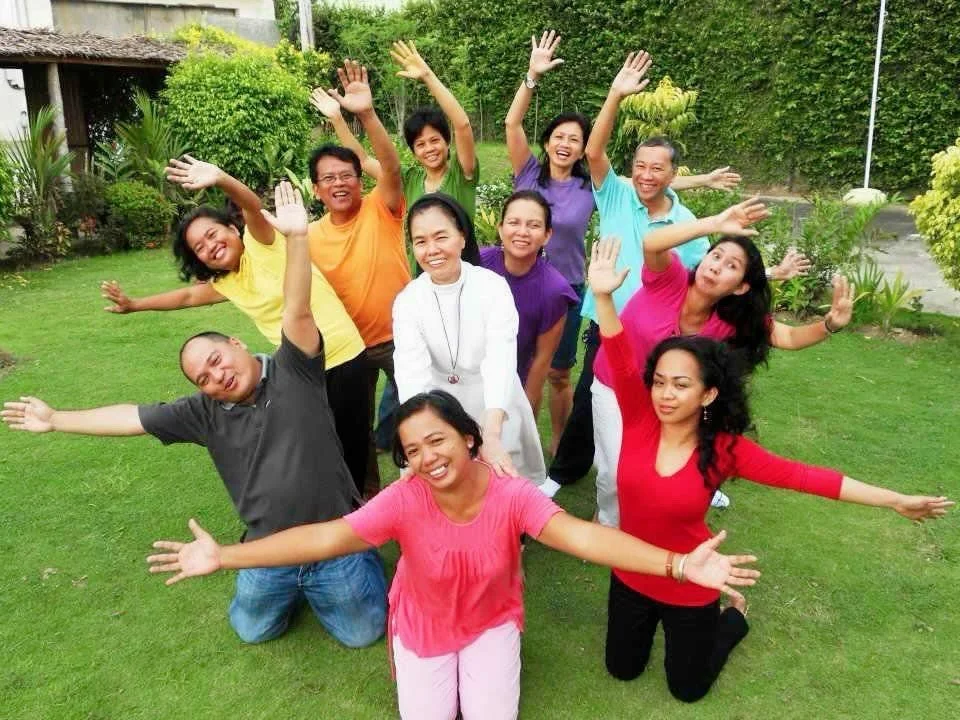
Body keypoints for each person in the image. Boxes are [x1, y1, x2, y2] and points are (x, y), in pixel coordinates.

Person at [145, 389, 761, 720]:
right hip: (423, 628)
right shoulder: (403, 499)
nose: (426, 457)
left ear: (469, 438)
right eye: (412, 450)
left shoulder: (511, 496)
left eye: (436, 440)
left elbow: (582, 536)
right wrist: (226, 556)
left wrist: (679, 564)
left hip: (491, 623)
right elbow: (326, 537)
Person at [4, 183, 389, 647]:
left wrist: (297, 238)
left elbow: (297, 308)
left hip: (332, 543)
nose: (217, 376)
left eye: (216, 360)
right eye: (203, 378)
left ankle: (360, 543)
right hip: (266, 550)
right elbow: (132, 418)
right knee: (252, 630)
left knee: (362, 634)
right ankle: (286, 566)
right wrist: (56, 419)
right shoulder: (204, 411)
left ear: (236, 343)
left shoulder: (296, 369)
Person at [587, 237, 952, 702]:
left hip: (695, 579)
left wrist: (895, 500)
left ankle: (733, 619)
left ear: (708, 394)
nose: (665, 395)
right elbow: (618, 349)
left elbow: (809, 478)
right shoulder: (638, 416)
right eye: (659, 382)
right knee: (621, 670)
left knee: (687, 689)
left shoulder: (726, 450)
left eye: (680, 385)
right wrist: (602, 295)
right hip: (632, 573)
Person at [506, 31, 743, 461]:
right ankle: (555, 459)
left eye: (574, 139)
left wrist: (702, 182)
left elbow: (649, 182)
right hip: (558, 296)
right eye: (559, 136)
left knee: (573, 377)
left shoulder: (597, 188)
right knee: (550, 377)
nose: (565, 144)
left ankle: (580, 450)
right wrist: (538, 78)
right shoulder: (536, 174)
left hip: (580, 293)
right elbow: (515, 126)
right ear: (547, 141)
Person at [99, 155, 373, 498]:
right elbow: (187, 296)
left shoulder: (262, 244)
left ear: (232, 228)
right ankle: (335, 507)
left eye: (212, 234)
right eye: (200, 248)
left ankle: (359, 513)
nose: (210, 247)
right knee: (316, 446)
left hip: (344, 358)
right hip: (298, 372)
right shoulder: (226, 283)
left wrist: (220, 178)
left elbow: (252, 206)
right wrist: (134, 304)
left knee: (351, 446)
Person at [589, 200, 848, 525]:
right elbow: (652, 244)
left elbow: (790, 337)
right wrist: (713, 223)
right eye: (715, 256)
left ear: (740, 286)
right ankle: (607, 524)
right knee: (615, 471)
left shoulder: (729, 321)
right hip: (614, 388)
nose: (716, 267)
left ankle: (638, 524)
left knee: (652, 470)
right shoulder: (670, 280)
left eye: (731, 266)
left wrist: (830, 325)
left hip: (671, 401)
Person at [306, 60, 411, 495]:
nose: (339, 183)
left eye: (347, 175)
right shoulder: (309, 237)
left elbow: (390, 166)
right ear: (316, 190)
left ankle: (422, 489)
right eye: (328, 178)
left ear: (359, 180)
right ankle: (366, 499)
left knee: (421, 414)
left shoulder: (380, 207)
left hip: (403, 337)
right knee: (355, 428)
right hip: (347, 349)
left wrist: (365, 114)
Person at [392, 193, 544, 484]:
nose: (431, 249)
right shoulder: (409, 301)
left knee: (503, 484)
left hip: (495, 401)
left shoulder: (493, 288)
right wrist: (419, 434)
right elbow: (411, 375)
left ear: (462, 237)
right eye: (421, 241)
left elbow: (499, 360)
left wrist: (492, 434)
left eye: (441, 237)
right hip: (437, 405)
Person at [314, 41, 479, 219]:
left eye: (434, 140)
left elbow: (462, 125)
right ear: (414, 152)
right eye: (420, 144)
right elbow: (364, 160)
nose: (429, 149)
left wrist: (427, 76)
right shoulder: (410, 180)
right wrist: (337, 119)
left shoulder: (461, 174)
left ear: (447, 142)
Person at [479, 190, 578, 418]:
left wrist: (523, 415)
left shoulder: (554, 290)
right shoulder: (478, 264)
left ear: (547, 235)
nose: (522, 232)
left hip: (511, 385)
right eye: (514, 222)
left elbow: (541, 362)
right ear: (500, 228)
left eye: (533, 225)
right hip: (466, 377)